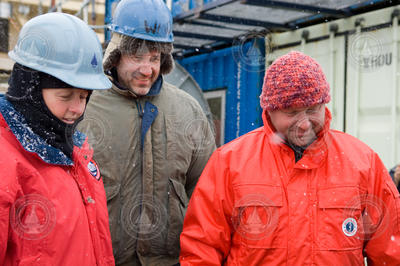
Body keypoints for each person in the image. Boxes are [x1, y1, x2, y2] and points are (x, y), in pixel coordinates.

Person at [179, 51, 400, 265]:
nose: (304, 124)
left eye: (313, 109)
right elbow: (202, 249)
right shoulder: (229, 163)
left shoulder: (364, 163)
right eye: (292, 113)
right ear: (269, 111)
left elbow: (390, 252)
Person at [78, 0, 216, 265]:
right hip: (103, 259)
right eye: (136, 57)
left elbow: (207, 194)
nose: (147, 69)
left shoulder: (188, 111)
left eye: (154, 58)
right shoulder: (85, 106)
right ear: (116, 55)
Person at [0, 13, 115, 265]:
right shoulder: (6, 162)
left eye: (84, 97)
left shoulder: (76, 154)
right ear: (29, 87)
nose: (77, 109)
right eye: (65, 96)